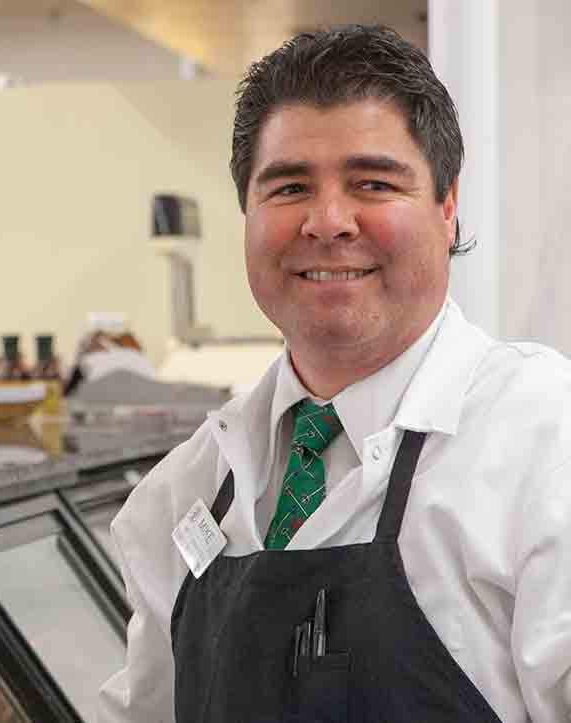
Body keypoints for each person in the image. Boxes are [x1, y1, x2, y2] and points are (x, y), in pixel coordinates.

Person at [97, 25, 571, 723]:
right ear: (247, 214)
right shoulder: (183, 491)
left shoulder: (546, 443)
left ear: (447, 208)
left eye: (372, 183)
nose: (327, 221)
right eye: (290, 187)